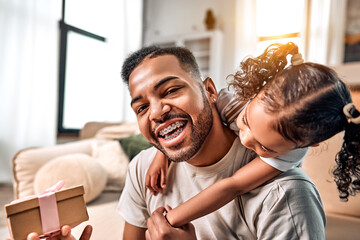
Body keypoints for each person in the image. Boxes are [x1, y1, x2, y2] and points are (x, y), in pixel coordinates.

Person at [117, 44, 328, 239]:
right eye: (141, 108)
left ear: (209, 91)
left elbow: (232, 186)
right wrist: (161, 154)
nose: (155, 113)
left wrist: (172, 220)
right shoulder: (142, 168)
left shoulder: (285, 193)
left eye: (171, 90)